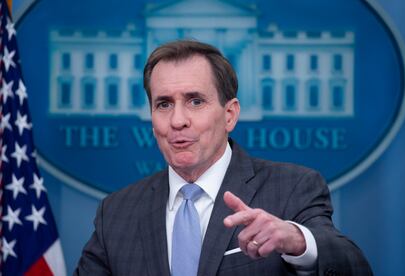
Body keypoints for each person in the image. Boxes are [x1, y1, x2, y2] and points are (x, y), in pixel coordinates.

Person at [75, 40, 372, 275]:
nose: (177, 120)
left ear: (229, 115)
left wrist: (295, 240)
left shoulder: (293, 188)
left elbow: (354, 267)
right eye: (163, 104)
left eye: (195, 101)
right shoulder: (115, 212)